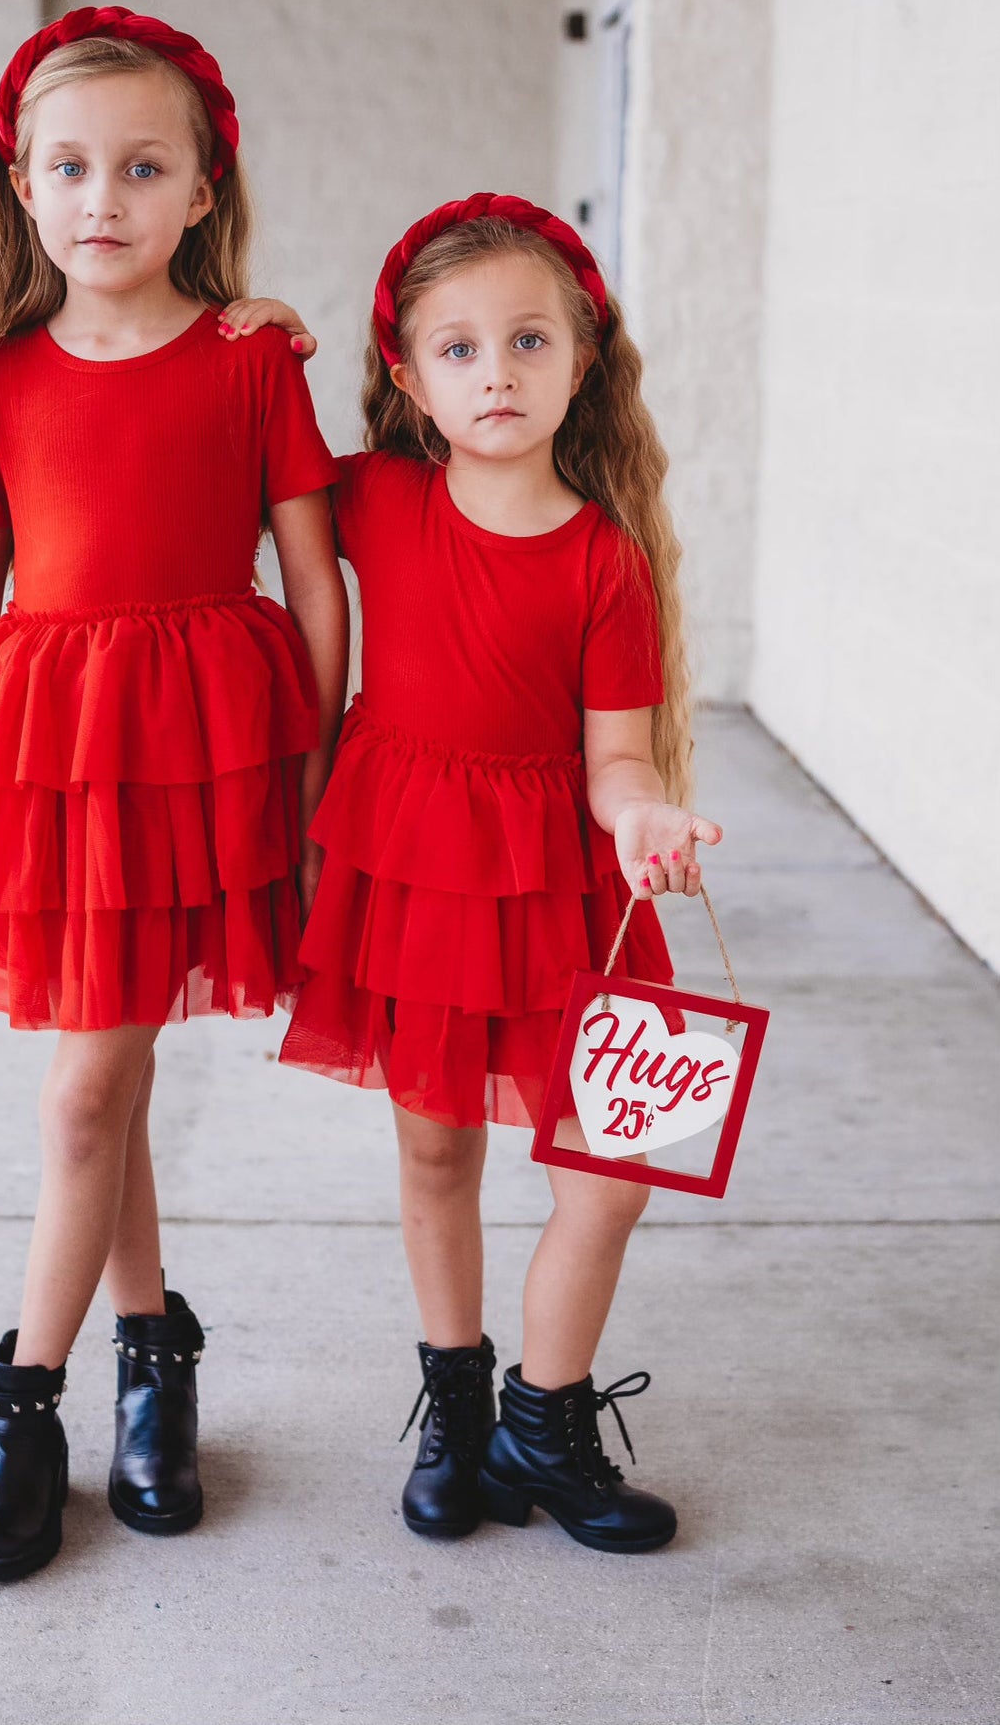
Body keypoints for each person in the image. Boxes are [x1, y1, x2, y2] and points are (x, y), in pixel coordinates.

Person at [0, 6, 347, 1582]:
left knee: (92, 1083)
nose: (105, 198)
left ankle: (33, 1395)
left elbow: (313, 578)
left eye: (142, 168)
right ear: (22, 188)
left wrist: (316, 762)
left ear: (202, 189)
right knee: (104, 1074)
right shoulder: (1, 379)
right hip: (55, 758)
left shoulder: (251, 361)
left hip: (200, 750)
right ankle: (137, 1358)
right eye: (70, 167)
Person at [276, 193, 722, 1552]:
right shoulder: (377, 497)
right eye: (458, 349)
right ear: (408, 379)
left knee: (610, 1171)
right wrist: (251, 330)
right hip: (413, 871)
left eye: (528, 341)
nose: (496, 373)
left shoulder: (603, 560)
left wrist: (643, 814)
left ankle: (546, 1413)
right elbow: (245, 445)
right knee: (433, 1147)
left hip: (566, 889)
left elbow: (615, 756)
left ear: (580, 361)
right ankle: (457, 1412)